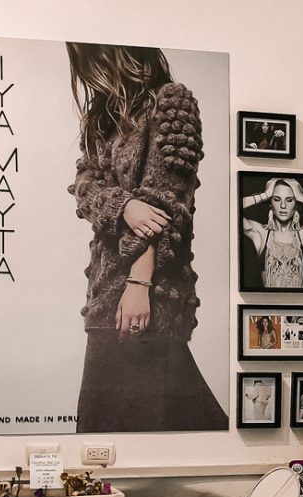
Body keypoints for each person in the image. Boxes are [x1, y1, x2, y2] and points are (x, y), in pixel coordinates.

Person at [67, 42, 228, 433]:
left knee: (154, 431)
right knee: (106, 428)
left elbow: (165, 204)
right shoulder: (102, 117)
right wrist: (124, 205)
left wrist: (138, 283)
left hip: (151, 295)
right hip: (104, 298)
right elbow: (84, 187)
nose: (88, 70)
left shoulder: (173, 102)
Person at [241, 177, 303, 289]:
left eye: (289, 200)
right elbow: (231, 209)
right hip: (269, 304)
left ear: (297, 204)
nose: (283, 206)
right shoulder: (261, 233)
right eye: (276, 199)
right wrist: (264, 195)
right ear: (270, 203)